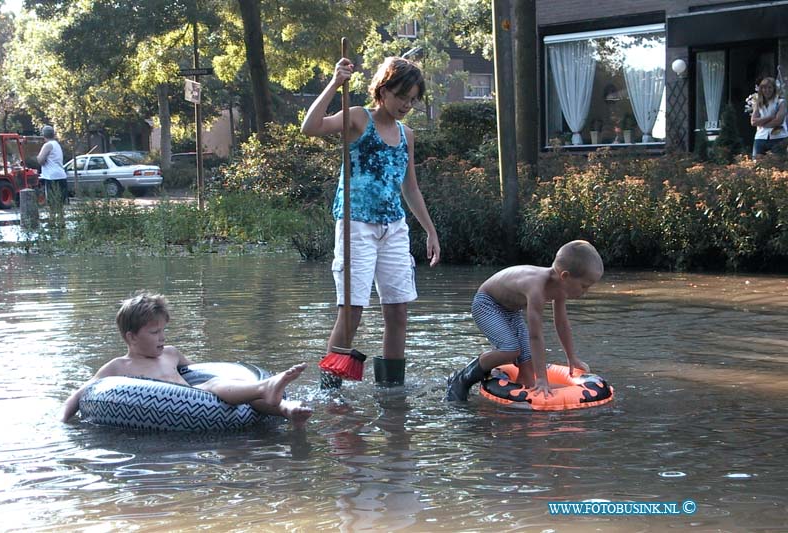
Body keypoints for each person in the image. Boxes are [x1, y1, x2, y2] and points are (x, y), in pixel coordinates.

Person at [301, 56, 440, 386]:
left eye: (412, 99)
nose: (406, 104)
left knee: (397, 311)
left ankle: (392, 391)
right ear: (383, 89)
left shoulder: (407, 134)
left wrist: (430, 230)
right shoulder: (358, 117)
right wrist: (336, 83)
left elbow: (410, 186)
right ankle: (331, 388)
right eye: (401, 96)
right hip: (356, 225)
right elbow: (310, 127)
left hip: (394, 227)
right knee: (352, 311)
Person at [61, 291, 313, 426]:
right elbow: (80, 393)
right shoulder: (118, 367)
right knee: (214, 389)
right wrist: (63, 423)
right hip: (172, 405)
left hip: (197, 397)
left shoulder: (170, 354)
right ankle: (266, 389)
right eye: (153, 332)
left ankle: (285, 408)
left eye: (163, 330)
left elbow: (201, 372)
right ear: (131, 337)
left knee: (225, 388)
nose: (162, 337)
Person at [446, 240, 604, 401]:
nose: (586, 291)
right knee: (511, 349)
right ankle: (462, 379)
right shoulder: (536, 288)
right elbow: (535, 336)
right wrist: (542, 379)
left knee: (528, 370)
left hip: (511, 310)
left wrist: (572, 358)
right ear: (565, 276)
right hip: (487, 303)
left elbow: (562, 324)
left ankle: (524, 413)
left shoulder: (560, 289)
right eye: (584, 286)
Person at [750, 77, 787, 159]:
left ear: (774, 89)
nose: (767, 90)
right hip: (760, 137)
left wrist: (762, 123)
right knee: (758, 166)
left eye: (770, 87)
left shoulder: (780, 102)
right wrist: (770, 117)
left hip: (778, 138)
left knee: (777, 165)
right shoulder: (758, 104)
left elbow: (778, 121)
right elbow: (753, 122)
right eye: (764, 88)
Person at [36, 125, 69, 204]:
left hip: (51, 177)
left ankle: (52, 216)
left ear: (43, 135)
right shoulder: (57, 145)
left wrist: (37, 157)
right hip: (62, 176)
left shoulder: (47, 145)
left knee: (52, 204)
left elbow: (40, 160)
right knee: (60, 203)